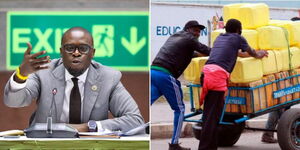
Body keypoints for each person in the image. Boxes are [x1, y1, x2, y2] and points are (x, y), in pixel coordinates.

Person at [4, 27, 144, 133]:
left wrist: (89, 127)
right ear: (61, 52)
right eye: (70, 48)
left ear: (92, 53)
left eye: (83, 48)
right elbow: (13, 101)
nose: (76, 53)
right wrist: (21, 75)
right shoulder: (43, 72)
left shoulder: (108, 78)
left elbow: (135, 120)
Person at [198, 19, 268, 150]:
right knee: (212, 117)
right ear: (238, 29)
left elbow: (238, 54)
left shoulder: (220, 38)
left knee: (211, 114)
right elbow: (253, 53)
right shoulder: (238, 38)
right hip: (216, 77)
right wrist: (261, 53)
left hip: (206, 74)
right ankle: (205, 148)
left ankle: (210, 146)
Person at [151, 20, 211, 150]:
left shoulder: (176, 36)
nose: (198, 33)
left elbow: (192, 54)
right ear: (188, 29)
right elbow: (206, 50)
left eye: (199, 31)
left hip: (154, 71)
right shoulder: (189, 38)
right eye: (195, 30)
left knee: (146, 103)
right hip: (166, 75)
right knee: (180, 109)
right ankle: (174, 144)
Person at [261, 16, 300, 143]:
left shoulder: (285, 42)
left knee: (282, 106)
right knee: (280, 106)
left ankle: (272, 132)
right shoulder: (290, 44)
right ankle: (268, 133)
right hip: (285, 78)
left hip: (283, 77)